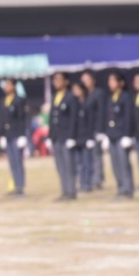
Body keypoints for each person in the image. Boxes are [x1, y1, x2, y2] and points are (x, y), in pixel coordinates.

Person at [105, 71, 135, 199]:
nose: (110, 83)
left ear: (121, 83)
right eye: (109, 81)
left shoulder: (126, 97)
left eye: (113, 80)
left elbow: (129, 117)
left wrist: (128, 135)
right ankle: (120, 188)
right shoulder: (111, 97)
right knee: (115, 164)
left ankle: (128, 189)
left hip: (122, 135)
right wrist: (106, 134)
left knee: (124, 164)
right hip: (112, 135)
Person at [49, 72, 78, 201]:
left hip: (66, 136)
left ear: (66, 81)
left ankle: (71, 191)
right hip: (56, 136)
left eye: (59, 80)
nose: (56, 82)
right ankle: (64, 190)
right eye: (55, 80)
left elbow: (73, 118)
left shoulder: (71, 97)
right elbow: (52, 117)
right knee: (60, 166)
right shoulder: (55, 96)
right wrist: (50, 135)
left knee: (68, 165)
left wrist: (72, 136)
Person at [0, 78, 28, 196]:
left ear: (14, 86)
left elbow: (22, 119)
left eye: (9, 85)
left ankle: (20, 186)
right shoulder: (3, 100)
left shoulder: (19, 100)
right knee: (11, 162)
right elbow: (1, 118)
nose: (6, 87)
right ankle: (15, 184)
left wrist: (22, 135)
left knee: (18, 161)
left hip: (16, 134)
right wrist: (1, 135)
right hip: (7, 135)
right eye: (6, 85)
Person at [81, 70, 107, 190]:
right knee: (87, 155)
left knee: (96, 154)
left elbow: (101, 112)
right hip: (87, 129)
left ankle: (98, 179)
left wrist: (101, 130)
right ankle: (89, 178)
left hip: (96, 128)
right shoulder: (84, 95)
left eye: (87, 80)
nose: (85, 82)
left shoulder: (98, 93)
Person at [70, 82, 94, 192]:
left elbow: (91, 121)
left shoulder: (88, 103)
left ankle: (87, 183)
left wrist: (91, 137)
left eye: (77, 89)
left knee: (87, 162)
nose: (75, 92)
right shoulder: (73, 104)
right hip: (76, 137)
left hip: (86, 136)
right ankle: (81, 182)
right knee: (78, 163)